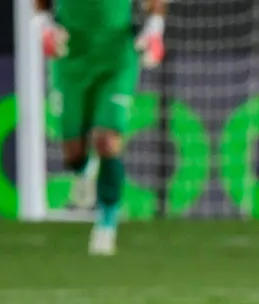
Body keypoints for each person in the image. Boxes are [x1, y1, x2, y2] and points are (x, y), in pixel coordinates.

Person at [35, 0, 166, 255]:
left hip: (116, 56)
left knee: (108, 141)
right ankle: (83, 171)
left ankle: (106, 224)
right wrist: (44, 24)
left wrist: (155, 27)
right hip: (71, 55)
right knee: (73, 152)